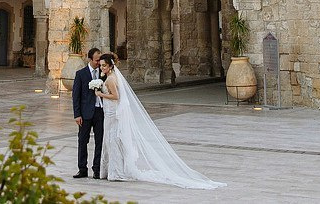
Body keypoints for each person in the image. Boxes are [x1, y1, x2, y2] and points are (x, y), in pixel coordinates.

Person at [96, 53, 225, 190]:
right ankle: (113, 171)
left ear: (110, 66)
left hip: (111, 114)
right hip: (111, 113)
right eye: (101, 65)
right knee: (112, 141)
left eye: (104, 65)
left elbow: (116, 96)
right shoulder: (111, 77)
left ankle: (116, 172)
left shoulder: (110, 79)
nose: (102, 67)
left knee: (113, 141)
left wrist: (100, 94)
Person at [71, 47, 104, 179]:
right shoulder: (81, 74)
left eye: (99, 60)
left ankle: (97, 169)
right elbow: (76, 96)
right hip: (85, 113)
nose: (98, 62)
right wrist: (77, 114)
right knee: (82, 141)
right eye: (96, 60)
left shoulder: (104, 73)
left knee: (99, 141)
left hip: (99, 112)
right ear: (90, 59)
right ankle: (82, 168)